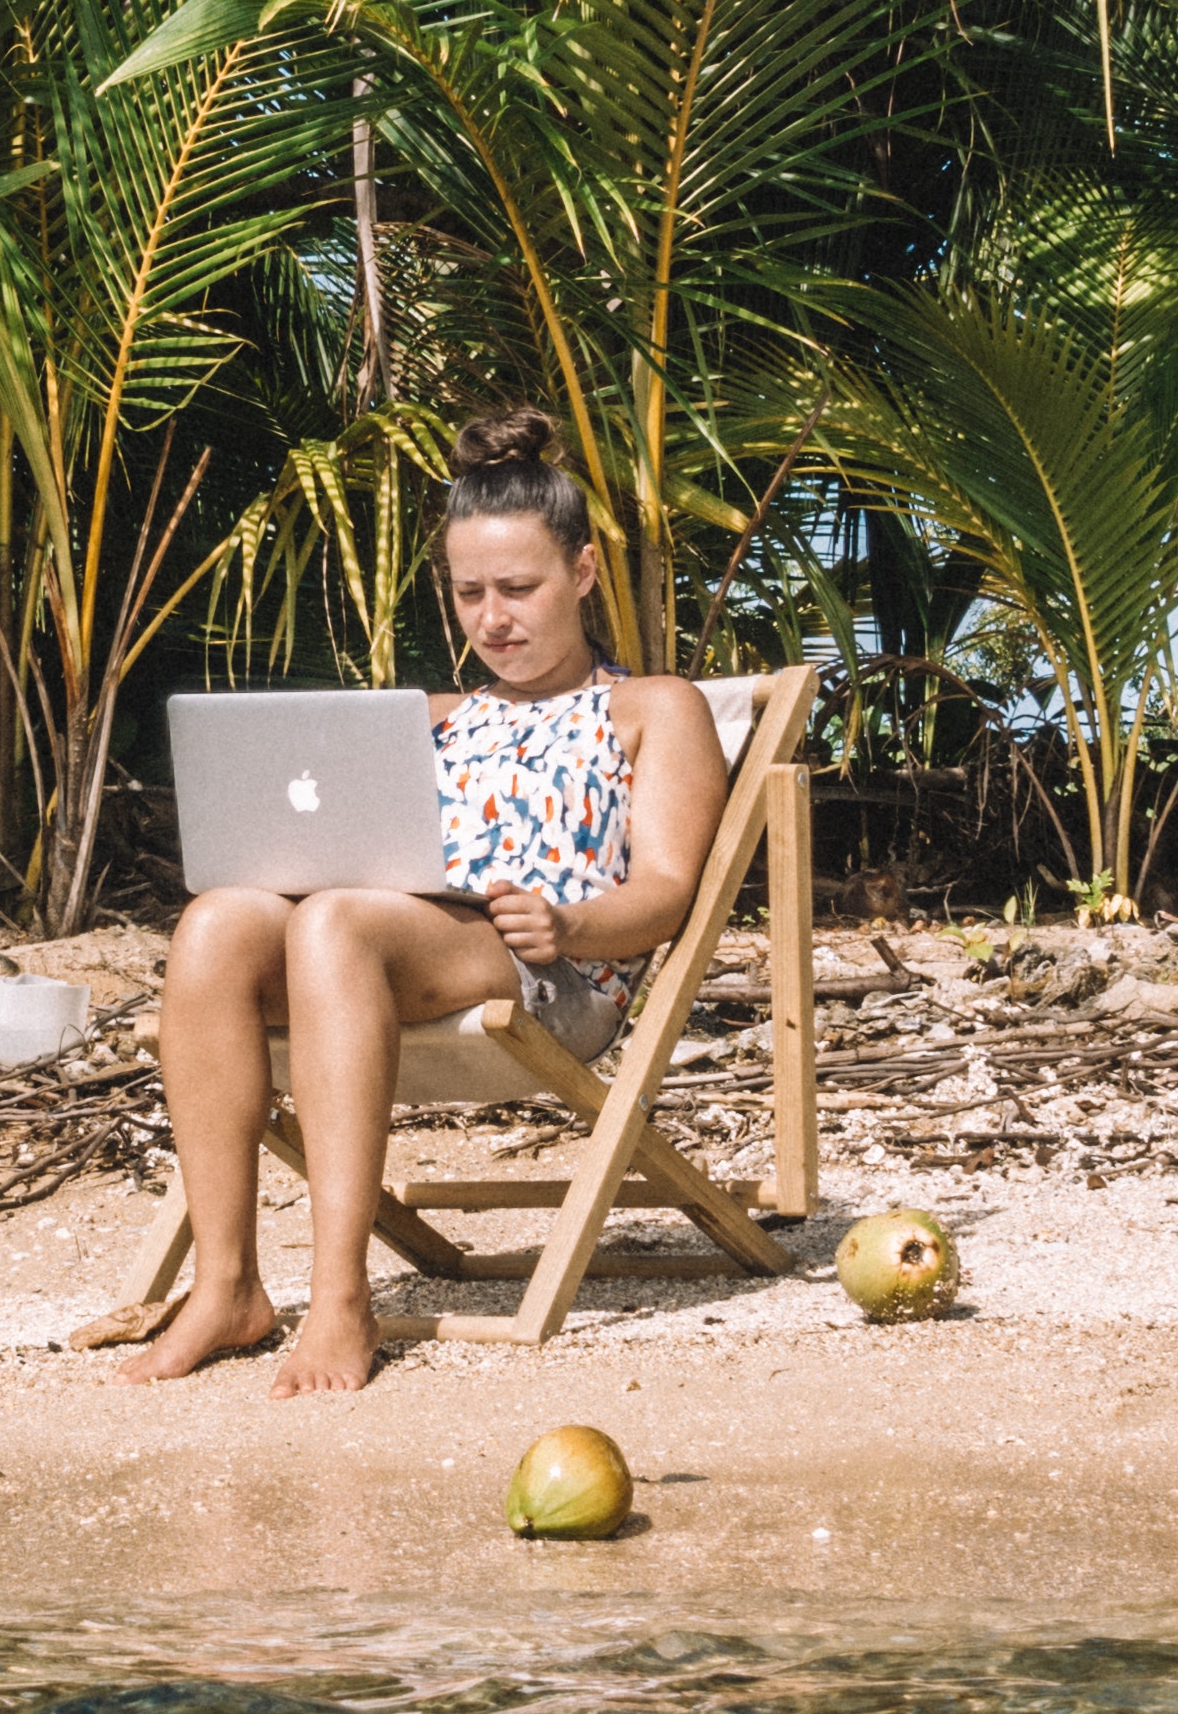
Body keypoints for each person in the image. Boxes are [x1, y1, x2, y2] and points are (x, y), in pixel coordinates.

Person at [108, 407, 726, 1396]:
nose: (494, 618)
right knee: (219, 921)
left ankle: (342, 1298)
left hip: (554, 969)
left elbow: (665, 895)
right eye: (471, 592)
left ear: (582, 573)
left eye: (519, 588)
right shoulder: (428, 720)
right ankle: (226, 1287)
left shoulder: (653, 708)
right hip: (383, 948)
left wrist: (567, 922)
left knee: (337, 921)